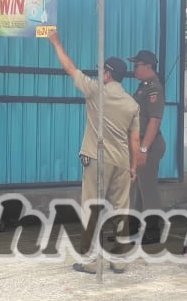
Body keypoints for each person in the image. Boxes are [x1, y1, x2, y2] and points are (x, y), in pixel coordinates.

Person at [47, 30, 140, 274]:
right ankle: (119, 260)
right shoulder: (132, 103)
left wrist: (56, 41)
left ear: (107, 74)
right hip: (122, 161)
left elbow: (70, 68)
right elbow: (135, 137)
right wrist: (133, 166)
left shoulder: (95, 90)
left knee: (92, 207)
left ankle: (90, 260)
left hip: (98, 158)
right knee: (121, 209)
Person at [127, 49, 165, 244]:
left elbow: (154, 121)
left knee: (148, 189)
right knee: (138, 189)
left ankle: (153, 231)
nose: (134, 69)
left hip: (148, 144)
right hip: (138, 144)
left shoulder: (154, 89)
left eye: (137, 65)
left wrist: (143, 149)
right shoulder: (143, 87)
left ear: (148, 67)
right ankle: (133, 229)